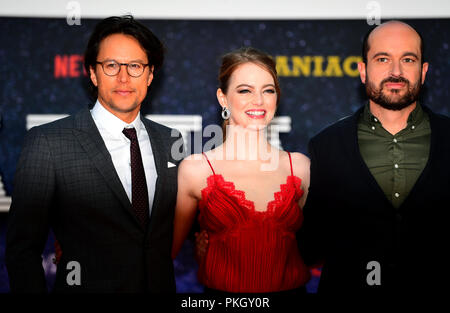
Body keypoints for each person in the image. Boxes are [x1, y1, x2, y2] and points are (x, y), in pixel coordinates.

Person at [6, 15, 182, 293]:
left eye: (135, 66)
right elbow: (22, 249)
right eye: (111, 65)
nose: (123, 77)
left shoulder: (171, 140)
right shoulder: (48, 142)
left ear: (150, 75)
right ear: (92, 72)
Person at [298, 20, 450, 294]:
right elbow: (311, 243)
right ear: (363, 70)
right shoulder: (326, 145)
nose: (396, 71)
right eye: (383, 59)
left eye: (408, 59)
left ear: (423, 71)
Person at [171, 47, 311, 293]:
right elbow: (165, 253)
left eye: (268, 90)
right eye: (245, 90)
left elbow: (319, 244)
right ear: (223, 98)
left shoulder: (300, 167)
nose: (258, 100)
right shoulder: (196, 170)